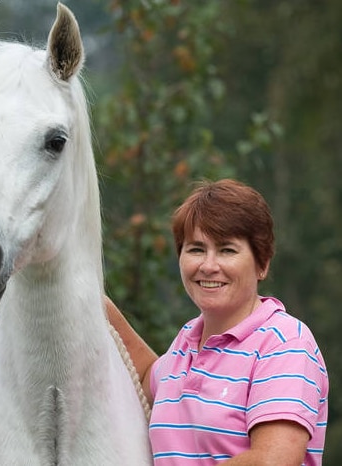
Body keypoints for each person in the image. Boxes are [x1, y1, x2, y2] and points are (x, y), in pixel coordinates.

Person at [107, 179, 328, 465]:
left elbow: (273, 460)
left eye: (227, 250)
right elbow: (145, 376)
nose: (208, 265)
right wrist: (94, 304)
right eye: (196, 249)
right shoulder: (186, 341)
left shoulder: (284, 342)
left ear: (262, 264)